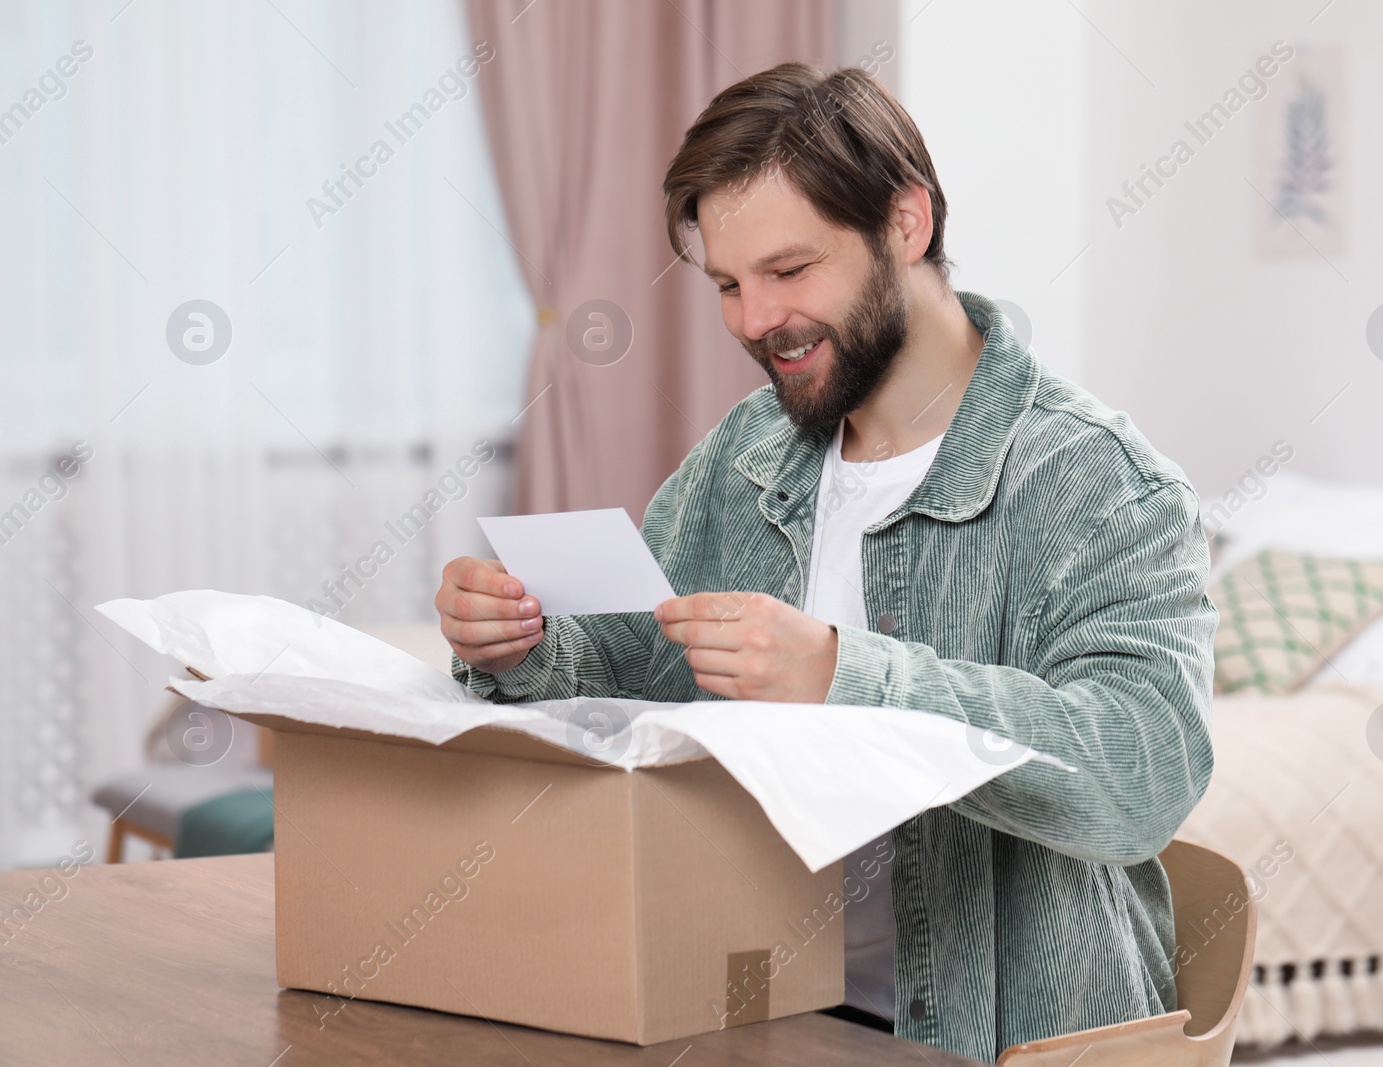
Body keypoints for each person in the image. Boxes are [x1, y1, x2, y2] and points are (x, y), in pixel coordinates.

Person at [436, 61, 1216, 1065]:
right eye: (726, 283)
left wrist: (847, 676)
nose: (755, 321)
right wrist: (520, 644)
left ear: (906, 224)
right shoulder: (745, 455)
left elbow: (1139, 775)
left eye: (790, 271)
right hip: (748, 1011)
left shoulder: (1101, 483)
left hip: (989, 1035)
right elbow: (631, 668)